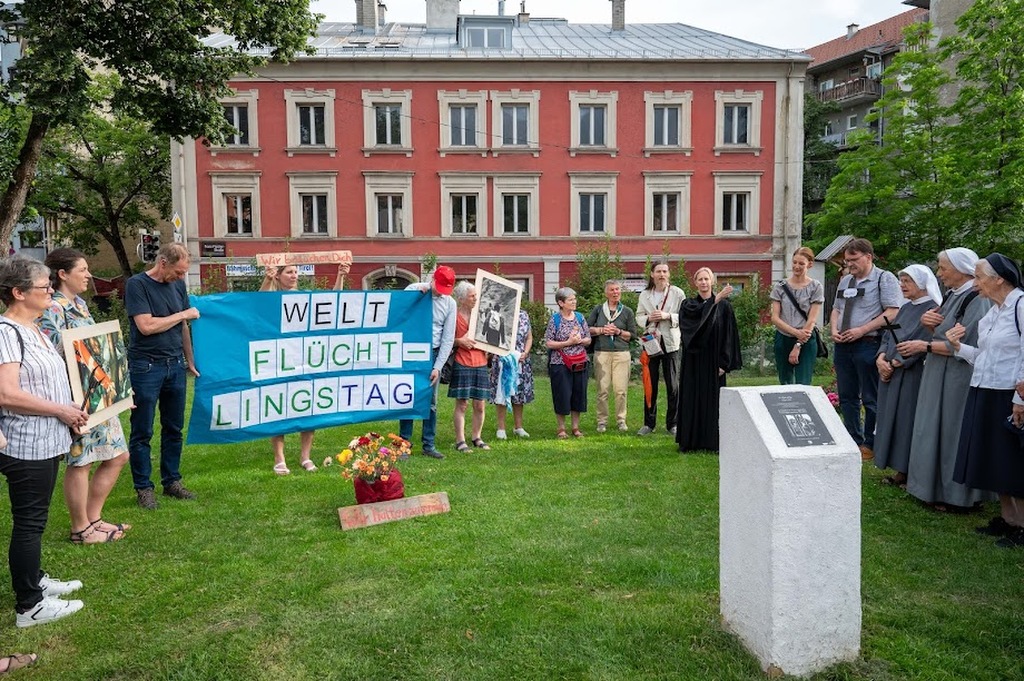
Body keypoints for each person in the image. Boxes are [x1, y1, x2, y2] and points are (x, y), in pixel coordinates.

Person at [0, 256, 87, 627]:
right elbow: (7, 393)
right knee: (30, 522)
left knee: (34, 519)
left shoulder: (34, 327)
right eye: (43, 286)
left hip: (47, 439)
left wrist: (68, 407)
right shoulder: (7, 332)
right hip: (26, 443)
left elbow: (42, 382)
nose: (50, 290)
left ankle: (33, 580)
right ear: (18, 293)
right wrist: (60, 411)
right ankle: (29, 606)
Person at [38, 248, 130, 543]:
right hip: (77, 398)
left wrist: (119, 388)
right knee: (82, 461)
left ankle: (94, 518)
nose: (89, 275)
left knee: (118, 456)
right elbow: (52, 355)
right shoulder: (53, 308)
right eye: (83, 270)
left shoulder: (80, 305)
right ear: (63, 274)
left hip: (100, 394)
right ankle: (81, 528)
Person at [904, 248, 994, 510]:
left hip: (957, 376)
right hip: (940, 372)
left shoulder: (976, 299)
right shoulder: (953, 295)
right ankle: (934, 489)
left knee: (953, 431)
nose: (939, 273)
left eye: (944, 268)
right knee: (934, 429)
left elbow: (966, 346)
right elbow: (944, 333)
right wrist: (929, 324)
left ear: (961, 269)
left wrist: (925, 346)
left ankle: (958, 497)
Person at [947, 254, 1024, 547]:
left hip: (1009, 393)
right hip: (985, 388)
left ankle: (1022, 525)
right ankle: (1008, 520)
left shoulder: (1020, 306)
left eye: (978, 277)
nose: (975, 282)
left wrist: (1020, 398)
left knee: (1013, 459)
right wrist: (958, 347)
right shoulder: (993, 313)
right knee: (995, 457)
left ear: (999, 279)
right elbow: (984, 357)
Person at [125, 243, 200, 509]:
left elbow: (182, 327)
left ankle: (172, 481)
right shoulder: (137, 285)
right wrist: (183, 314)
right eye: (178, 272)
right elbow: (145, 326)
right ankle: (144, 488)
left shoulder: (178, 285)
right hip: (145, 366)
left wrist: (189, 360)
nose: (181, 278)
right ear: (163, 262)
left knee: (173, 428)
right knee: (142, 430)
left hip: (175, 365)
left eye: (184, 274)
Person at [259, 262, 349, 474]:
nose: (294, 276)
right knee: (279, 406)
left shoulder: (306, 297)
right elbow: (259, 303)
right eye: (289, 272)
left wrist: (340, 276)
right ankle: (279, 458)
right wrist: (267, 279)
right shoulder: (273, 298)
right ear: (279, 276)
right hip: (280, 359)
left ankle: (305, 457)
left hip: (306, 358)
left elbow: (332, 302)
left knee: (308, 406)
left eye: (296, 272)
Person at [829, 238, 902, 461]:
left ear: (868, 257)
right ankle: (853, 438)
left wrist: (862, 330)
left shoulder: (884, 278)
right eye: (847, 260)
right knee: (847, 395)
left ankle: (871, 442)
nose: (849, 264)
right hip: (843, 344)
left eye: (854, 260)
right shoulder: (845, 281)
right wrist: (834, 329)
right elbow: (835, 309)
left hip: (868, 343)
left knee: (871, 396)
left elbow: (892, 311)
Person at [871, 265, 942, 486]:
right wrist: (881, 358)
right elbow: (888, 335)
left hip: (911, 375)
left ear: (922, 284)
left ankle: (908, 471)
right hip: (890, 373)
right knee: (890, 419)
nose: (902, 285)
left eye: (907, 281)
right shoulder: (905, 308)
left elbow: (922, 339)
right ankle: (896, 467)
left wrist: (895, 363)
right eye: (901, 281)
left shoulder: (932, 310)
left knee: (906, 421)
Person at [675, 267, 742, 453]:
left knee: (713, 401)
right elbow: (692, 328)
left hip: (714, 361)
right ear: (695, 283)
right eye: (700, 279)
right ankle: (690, 441)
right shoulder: (688, 305)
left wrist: (724, 363)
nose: (704, 282)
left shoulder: (725, 307)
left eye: (707, 279)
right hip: (694, 360)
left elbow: (729, 336)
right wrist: (716, 299)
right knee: (692, 398)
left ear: (712, 281)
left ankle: (712, 442)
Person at [399, 266, 457, 459]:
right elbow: (399, 307)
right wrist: (415, 295)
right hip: (411, 350)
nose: (441, 292)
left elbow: (448, 338)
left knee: (430, 401)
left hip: (433, 352)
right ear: (433, 280)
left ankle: (428, 444)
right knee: (407, 396)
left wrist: (437, 367)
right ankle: (403, 444)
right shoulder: (415, 289)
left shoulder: (450, 304)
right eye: (439, 286)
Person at [635, 261, 686, 436]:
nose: (662, 274)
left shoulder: (677, 293)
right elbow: (638, 317)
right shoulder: (645, 295)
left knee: (673, 385)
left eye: (665, 271)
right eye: (658, 271)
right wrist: (649, 318)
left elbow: (685, 316)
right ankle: (649, 423)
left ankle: (673, 423)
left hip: (670, 342)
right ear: (652, 274)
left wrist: (668, 316)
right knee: (651, 384)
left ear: (669, 274)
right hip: (651, 343)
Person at [586, 280, 637, 432]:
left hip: (621, 354)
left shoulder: (627, 311)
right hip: (602, 352)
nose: (616, 292)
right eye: (612, 290)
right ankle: (602, 421)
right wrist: (602, 330)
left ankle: (621, 420)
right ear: (606, 293)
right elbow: (587, 329)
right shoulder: (598, 309)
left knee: (621, 390)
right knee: (602, 390)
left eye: (617, 289)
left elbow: (633, 335)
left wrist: (618, 332)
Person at [769, 247, 825, 385]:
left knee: (803, 382)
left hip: (806, 339)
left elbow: (812, 319)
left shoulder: (815, 287)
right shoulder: (780, 286)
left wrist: (799, 343)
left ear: (810, 264)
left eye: (801, 264)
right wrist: (795, 332)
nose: (796, 266)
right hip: (783, 337)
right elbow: (775, 318)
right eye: (794, 262)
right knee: (785, 381)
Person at [449, 281, 492, 452]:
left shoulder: (481, 315)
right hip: (462, 361)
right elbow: (445, 339)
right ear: (461, 299)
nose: (475, 298)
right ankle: (460, 441)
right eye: (472, 296)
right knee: (462, 404)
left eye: (476, 295)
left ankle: (477, 437)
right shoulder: (454, 316)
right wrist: (459, 341)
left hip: (481, 362)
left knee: (480, 404)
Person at [544, 287, 591, 438]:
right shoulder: (555, 320)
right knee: (562, 394)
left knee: (579, 394)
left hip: (580, 362)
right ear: (561, 302)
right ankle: (561, 428)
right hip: (560, 363)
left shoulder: (580, 317)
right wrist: (568, 342)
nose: (574, 302)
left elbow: (588, 339)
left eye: (574, 299)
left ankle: (576, 427)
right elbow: (549, 343)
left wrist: (580, 340)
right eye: (571, 300)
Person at [491, 308, 534, 440]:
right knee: (502, 392)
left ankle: (518, 427)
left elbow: (529, 337)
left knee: (519, 394)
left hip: (521, 360)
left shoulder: (524, 315)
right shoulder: (496, 314)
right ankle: (501, 427)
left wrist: (525, 353)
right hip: (502, 359)